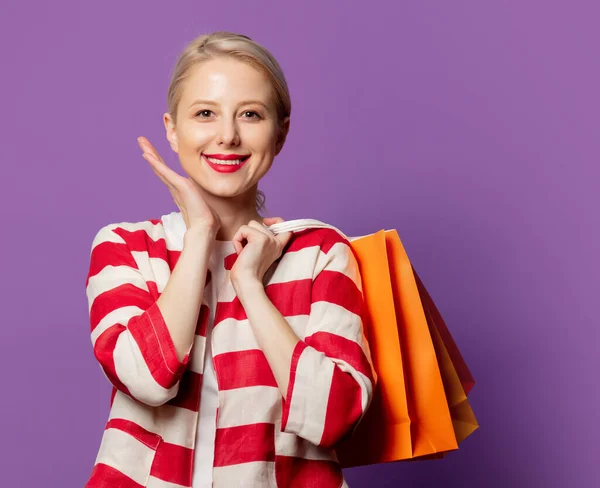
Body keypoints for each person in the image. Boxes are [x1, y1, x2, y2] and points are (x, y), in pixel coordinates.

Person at [84, 31, 376, 488]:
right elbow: (146, 378)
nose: (228, 136)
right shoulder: (125, 245)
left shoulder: (320, 252)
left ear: (280, 132)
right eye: (205, 113)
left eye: (251, 115)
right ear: (172, 128)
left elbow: (333, 419)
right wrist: (200, 232)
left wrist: (251, 287)